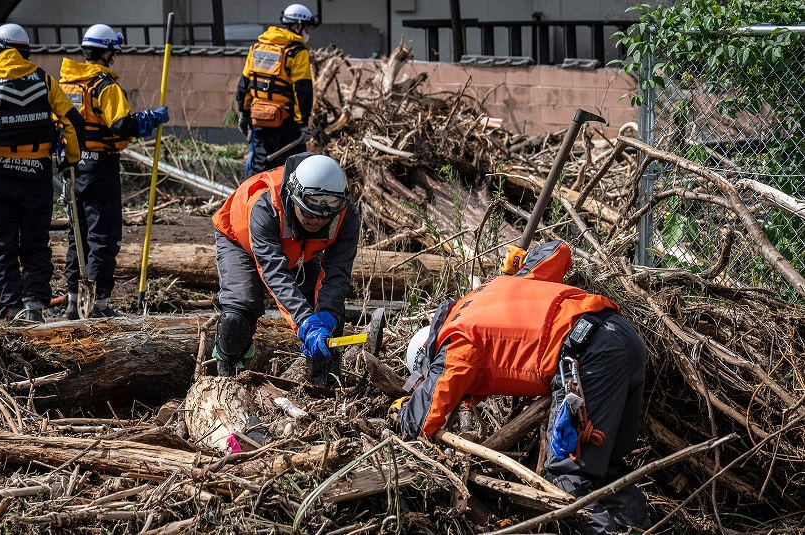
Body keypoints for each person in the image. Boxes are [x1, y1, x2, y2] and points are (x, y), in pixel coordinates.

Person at [394, 241, 651, 534]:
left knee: (565, 483)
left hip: (587, 357)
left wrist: (403, 410)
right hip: (621, 333)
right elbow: (558, 251)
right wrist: (525, 263)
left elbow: (421, 420)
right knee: (603, 470)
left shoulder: (456, 342)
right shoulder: (494, 288)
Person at [0, 23, 84, 323]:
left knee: (3, 248)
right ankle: (35, 306)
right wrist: (70, 159)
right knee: (36, 243)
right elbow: (73, 122)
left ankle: (11, 309)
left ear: (2, 52)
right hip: (37, 177)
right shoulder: (46, 83)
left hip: (0, 179)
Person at [211, 153, 359, 387]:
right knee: (240, 310)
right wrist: (304, 322)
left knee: (329, 312)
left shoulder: (347, 218)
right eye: (308, 212)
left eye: (326, 215)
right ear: (294, 196)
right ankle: (226, 378)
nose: (316, 221)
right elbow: (274, 271)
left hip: (301, 251)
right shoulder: (265, 208)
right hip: (240, 242)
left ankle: (324, 383)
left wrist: (325, 316)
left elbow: (337, 272)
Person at [58, 24, 170, 319]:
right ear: (107, 52)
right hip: (99, 167)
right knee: (103, 236)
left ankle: (72, 300)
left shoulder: (66, 84)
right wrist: (148, 119)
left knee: (77, 235)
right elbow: (120, 125)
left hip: (72, 167)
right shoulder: (104, 86)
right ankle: (98, 304)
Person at [236, 3, 318, 176]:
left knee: (260, 170)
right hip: (287, 124)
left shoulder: (257, 48)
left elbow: (244, 85)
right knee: (294, 171)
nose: (307, 33)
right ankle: (284, 203)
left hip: (259, 121)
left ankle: (250, 202)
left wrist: (244, 115)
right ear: (297, 26)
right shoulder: (297, 52)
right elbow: (302, 91)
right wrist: (303, 123)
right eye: (307, 28)